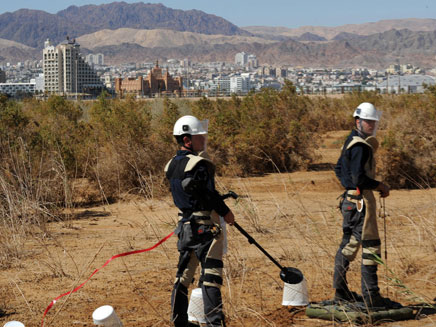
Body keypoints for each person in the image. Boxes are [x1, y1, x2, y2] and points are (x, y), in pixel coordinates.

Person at [165, 115, 235, 327]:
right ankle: (215, 323)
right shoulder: (200, 164)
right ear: (187, 140)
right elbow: (209, 195)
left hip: (185, 229)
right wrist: (226, 212)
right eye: (198, 136)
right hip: (205, 229)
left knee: (182, 278)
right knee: (211, 277)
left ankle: (180, 323)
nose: (203, 139)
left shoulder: (171, 165)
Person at [333, 102, 398, 308]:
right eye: (368, 122)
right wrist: (380, 185)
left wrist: (348, 185)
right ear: (358, 121)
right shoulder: (360, 145)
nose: (371, 125)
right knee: (365, 247)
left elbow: (339, 168)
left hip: (351, 201)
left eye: (373, 122)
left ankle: (342, 292)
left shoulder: (351, 141)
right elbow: (360, 178)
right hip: (359, 203)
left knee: (349, 245)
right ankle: (370, 296)